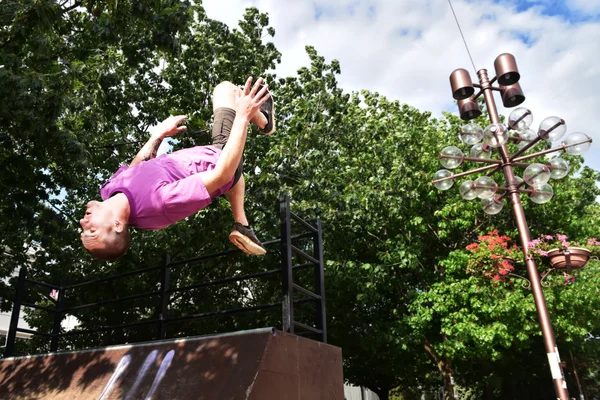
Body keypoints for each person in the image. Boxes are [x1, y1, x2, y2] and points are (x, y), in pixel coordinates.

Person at [79, 77, 274, 260]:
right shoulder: (158, 205)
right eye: (92, 230)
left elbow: (135, 169)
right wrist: (242, 117)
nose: (82, 223)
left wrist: (158, 134)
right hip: (222, 157)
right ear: (117, 225)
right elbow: (222, 175)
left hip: (215, 160)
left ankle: (242, 225)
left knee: (235, 182)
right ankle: (265, 121)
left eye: (83, 230)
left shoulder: (109, 192)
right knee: (226, 90)